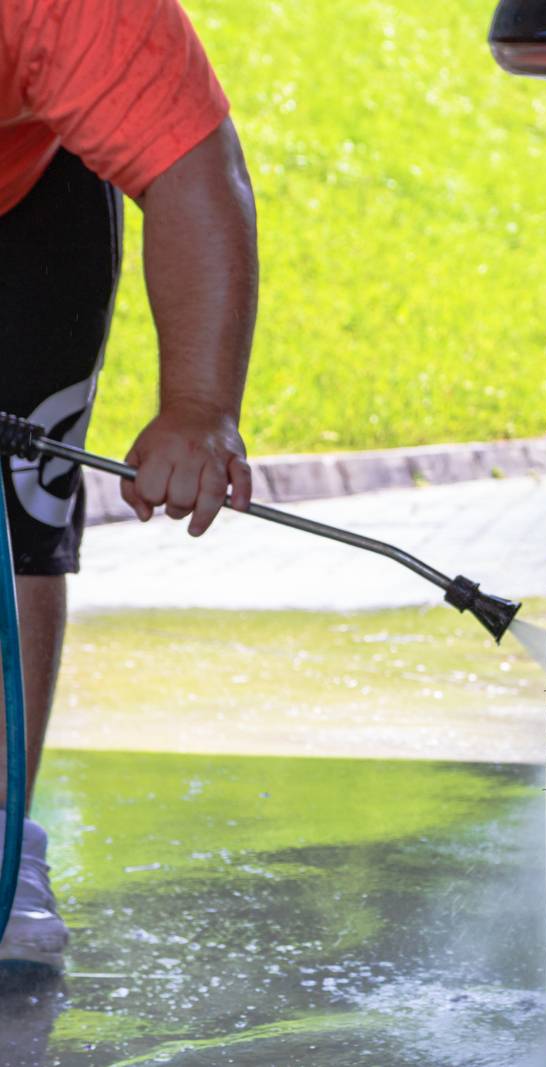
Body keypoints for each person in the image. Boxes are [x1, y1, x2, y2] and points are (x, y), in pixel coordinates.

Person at [0, 0, 257, 975]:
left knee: (25, 499)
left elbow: (197, 170)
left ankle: (0, 831)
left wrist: (198, 406)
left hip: (27, 200)